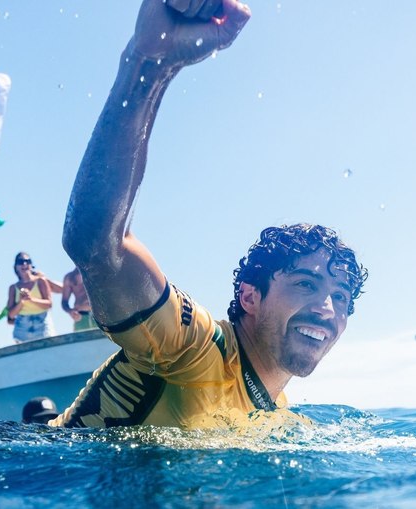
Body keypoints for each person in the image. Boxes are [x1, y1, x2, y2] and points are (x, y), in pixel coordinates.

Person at [53, 0, 367, 429]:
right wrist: (147, 63)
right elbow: (96, 246)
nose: (327, 309)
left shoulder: (278, 416)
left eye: (341, 297)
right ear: (250, 297)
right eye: (306, 284)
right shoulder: (195, 347)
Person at [6, 252, 58, 341]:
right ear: (16, 267)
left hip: (42, 324)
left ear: (31, 265)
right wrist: (21, 301)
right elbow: (11, 315)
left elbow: (49, 304)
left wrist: (31, 299)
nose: (24, 264)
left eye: (27, 261)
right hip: (22, 328)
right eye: (20, 262)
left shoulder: (41, 281)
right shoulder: (13, 288)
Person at [61, 266, 95, 331]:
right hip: (80, 317)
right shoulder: (70, 277)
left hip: (101, 316)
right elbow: (64, 302)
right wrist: (70, 311)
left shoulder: (98, 272)